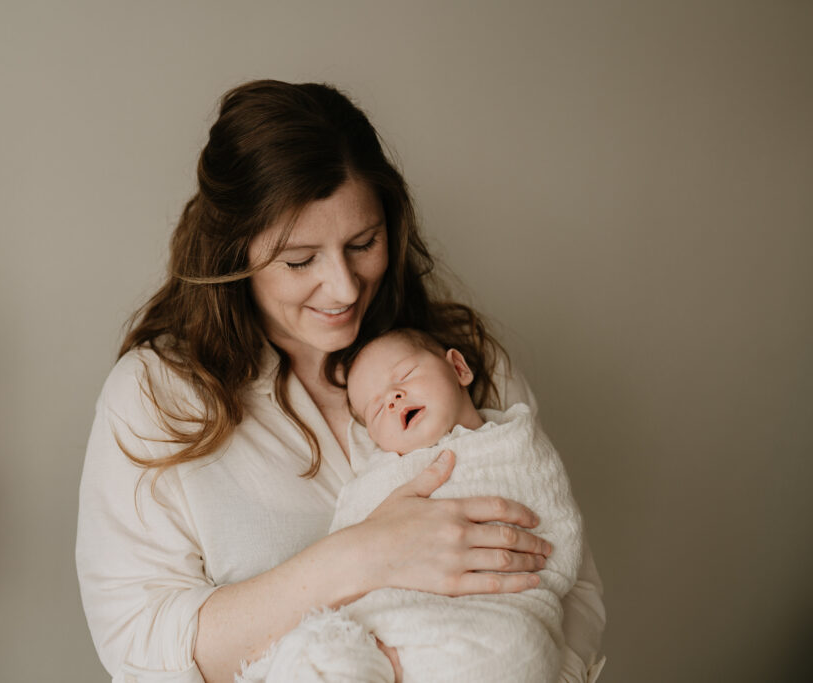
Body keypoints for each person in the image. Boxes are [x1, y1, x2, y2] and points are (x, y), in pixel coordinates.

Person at [76, 79, 606, 683]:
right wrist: (361, 556)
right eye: (300, 261)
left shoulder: (462, 361)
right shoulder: (156, 397)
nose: (346, 287)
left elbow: (575, 590)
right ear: (233, 255)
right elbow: (141, 645)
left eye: (363, 243)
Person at [237, 328, 584, 682]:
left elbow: (560, 532)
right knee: (324, 654)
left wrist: (530, 584)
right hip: (392, 616)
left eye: (404, 376)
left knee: (523, 648)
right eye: (375, 409)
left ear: (459, 368)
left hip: (494, 611)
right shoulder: (384, 476)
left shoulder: (515, 443)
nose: (392, 399)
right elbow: (351, 541)